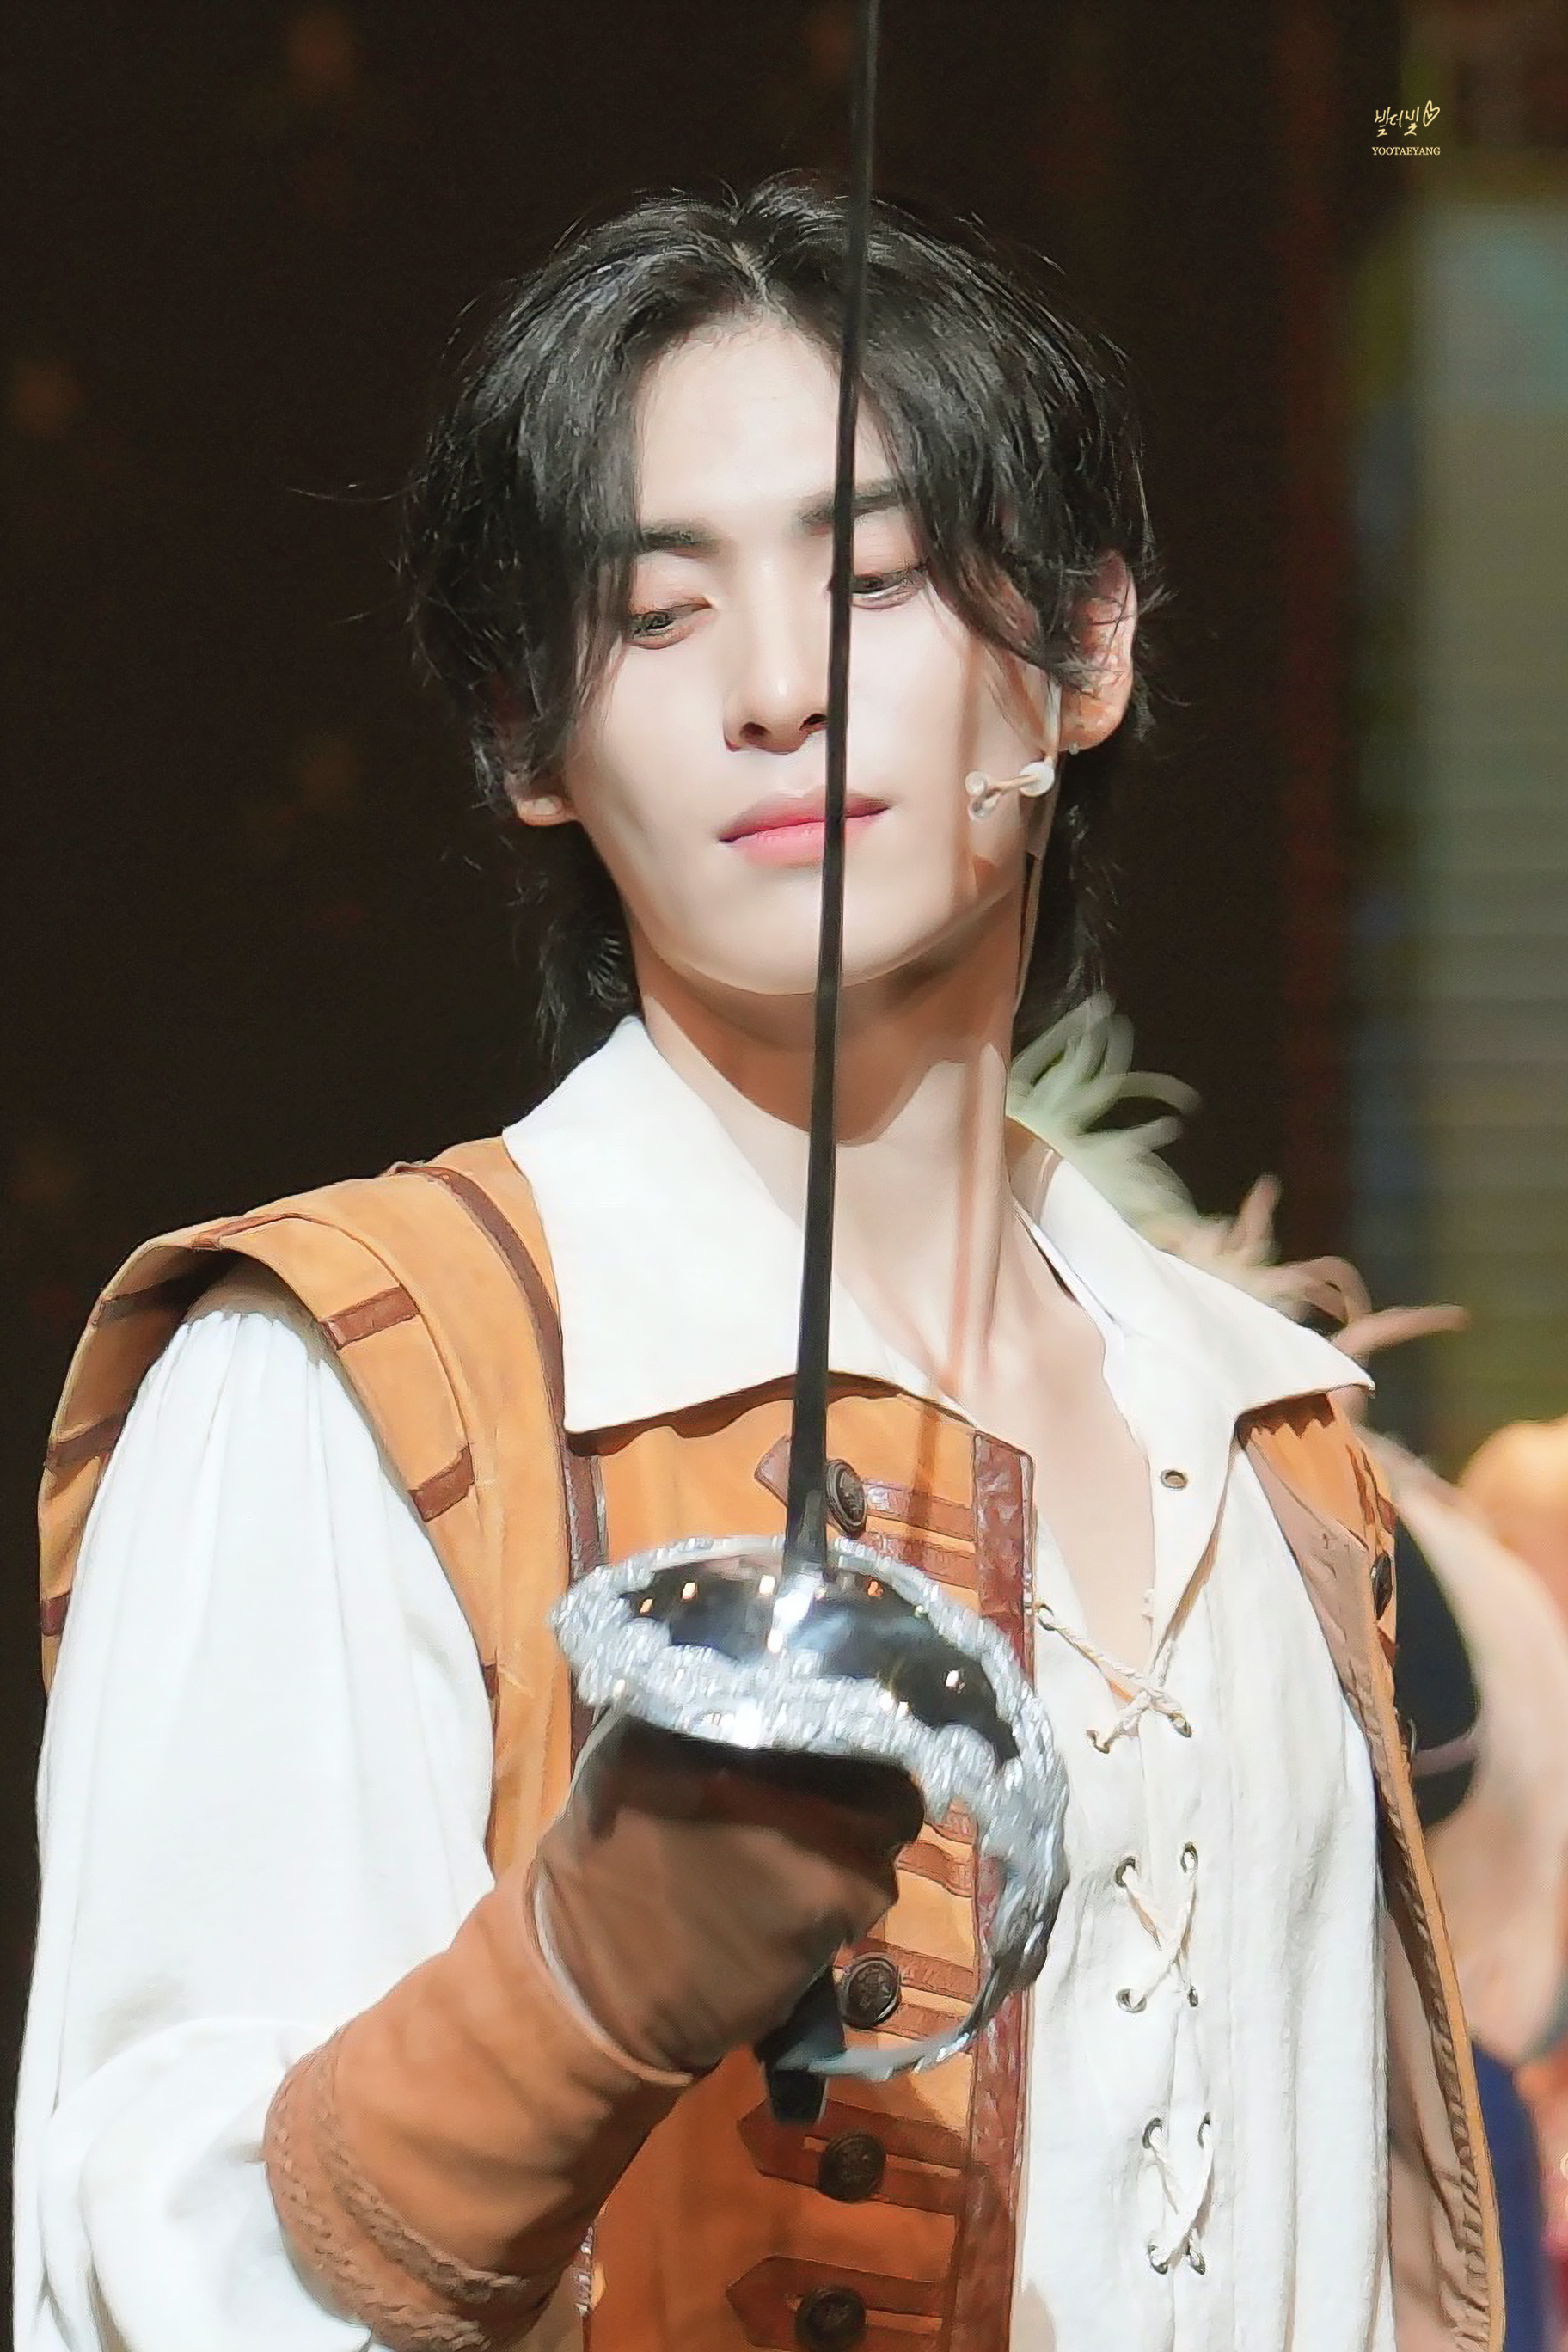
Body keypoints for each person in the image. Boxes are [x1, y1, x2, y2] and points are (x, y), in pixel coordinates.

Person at [16, 180, 1498, 2352]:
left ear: (1086, 656)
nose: (779, 693)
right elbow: (141, 2273)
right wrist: (572, 1995)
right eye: (656, 614)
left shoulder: (1267, 1436)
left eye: (873, 578)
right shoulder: (354, 1385)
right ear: (528, 739)